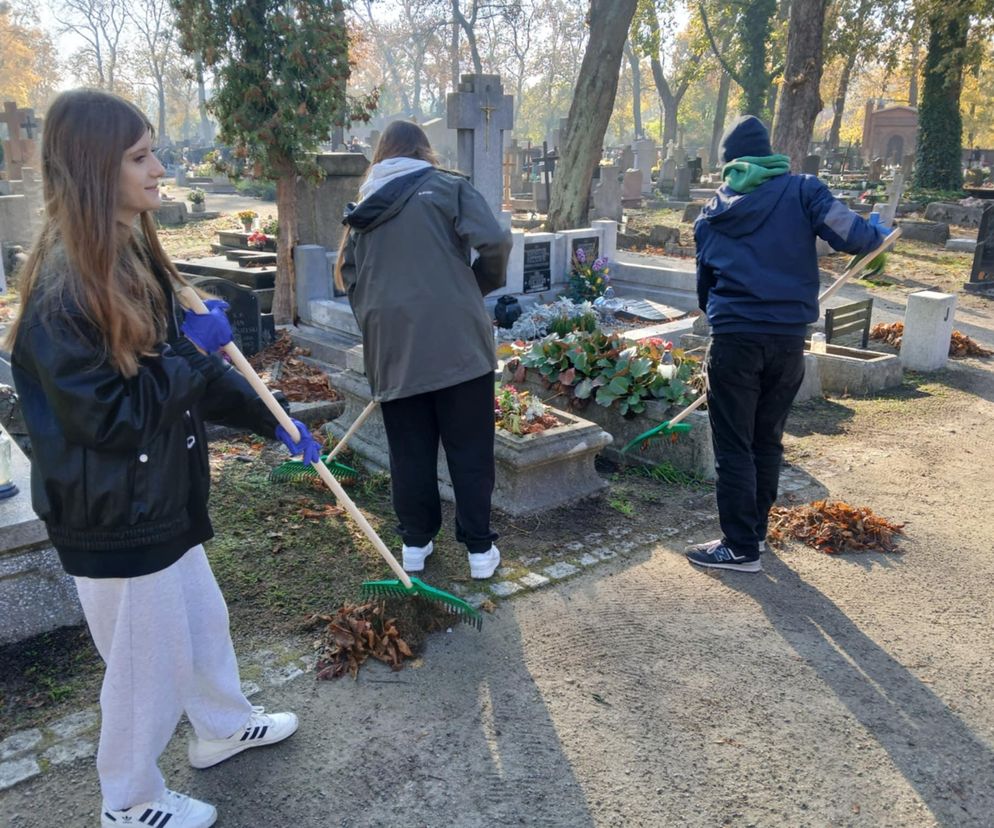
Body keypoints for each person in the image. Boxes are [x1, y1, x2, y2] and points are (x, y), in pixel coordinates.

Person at [5, 89, 322, 828]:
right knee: (145, 666)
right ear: (93, 170)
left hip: (159, 495)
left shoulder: (129, 254)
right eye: (141, 157)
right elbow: (111, 419)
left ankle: (219, 727)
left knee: (201, 621)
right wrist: (187, 360)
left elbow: (189, 369)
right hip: (112, 511)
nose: (159, 169)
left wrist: (271, 422)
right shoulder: (63, 289)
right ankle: (130, 798)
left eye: (155, 152)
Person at [686, 115, 887, 573]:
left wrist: (724, 317)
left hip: (735, 339)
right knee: (767, 440)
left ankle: (740, 546)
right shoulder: (804, 191)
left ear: (730, 164)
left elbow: (705, 286)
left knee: (735, 445)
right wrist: (877, 232)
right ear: (769, 154)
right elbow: (854, 236)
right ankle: (753, 534)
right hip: (788, 341)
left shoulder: (712, 214)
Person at [334, 120, 511, 580]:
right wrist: (476, 287)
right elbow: (494, 239)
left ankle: (415, 542)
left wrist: (379, 319)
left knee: (409, 450)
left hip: (394, 347)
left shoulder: (364, 208)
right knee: (470, 448)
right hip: (459, 343)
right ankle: (478, 551)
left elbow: (349, 276)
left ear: (382, 154)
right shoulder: (448, 188)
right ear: (424, 150)